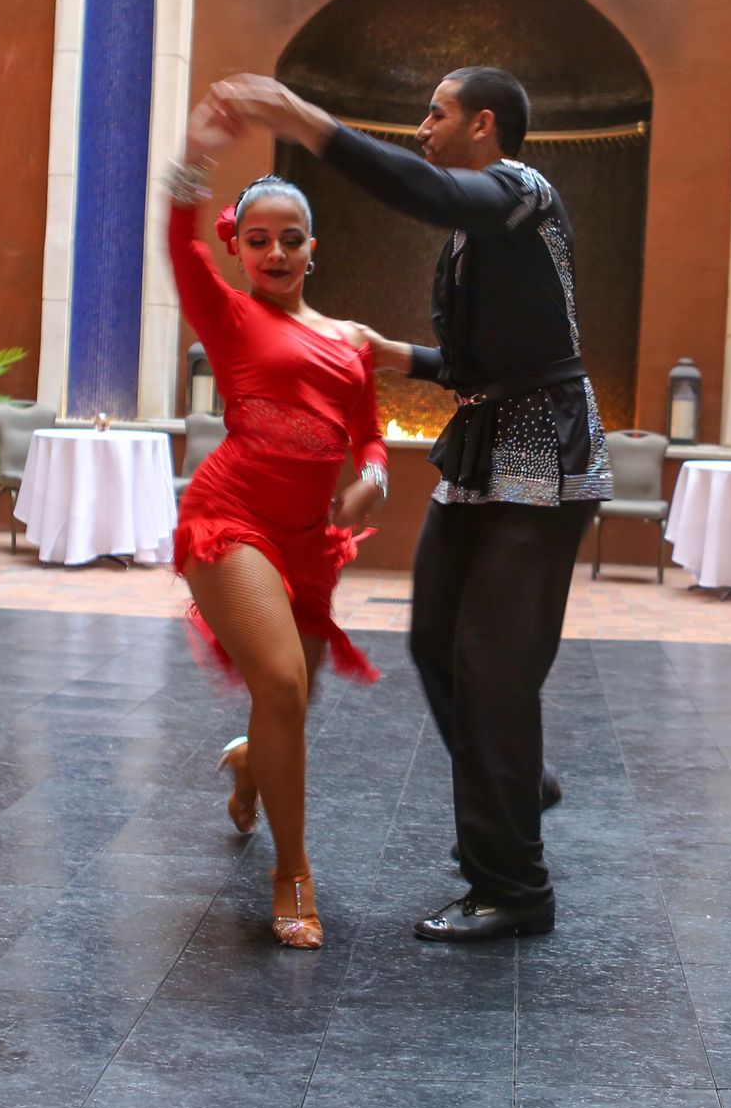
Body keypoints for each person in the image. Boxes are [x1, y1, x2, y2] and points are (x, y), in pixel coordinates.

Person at [217, 67, 609, 943]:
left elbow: (428, 192)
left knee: (491, 663)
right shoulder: (476, 239)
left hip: (540, 453)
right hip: (484, 447)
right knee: (436, 638)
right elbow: (478, 364)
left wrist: (309, 123)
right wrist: (392, 351)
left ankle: (513, 886)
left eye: (434, 114)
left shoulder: (520, 191)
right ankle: (519, 778)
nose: (420, 127)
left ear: (482, 125)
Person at [165, 93, 389, 950]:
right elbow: (177, 242)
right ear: (239, 246)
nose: (274, 252)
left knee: (283, 701)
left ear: (312, 249)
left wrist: (371, 480)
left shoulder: (347, 343)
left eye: (289, 238)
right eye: (256, 239)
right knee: (286, 686)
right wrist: (193, 153)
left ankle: (249, 771)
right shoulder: (227, 315)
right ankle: (292, 872)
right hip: (229, 518)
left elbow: (370, 439)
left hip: (309, 543)